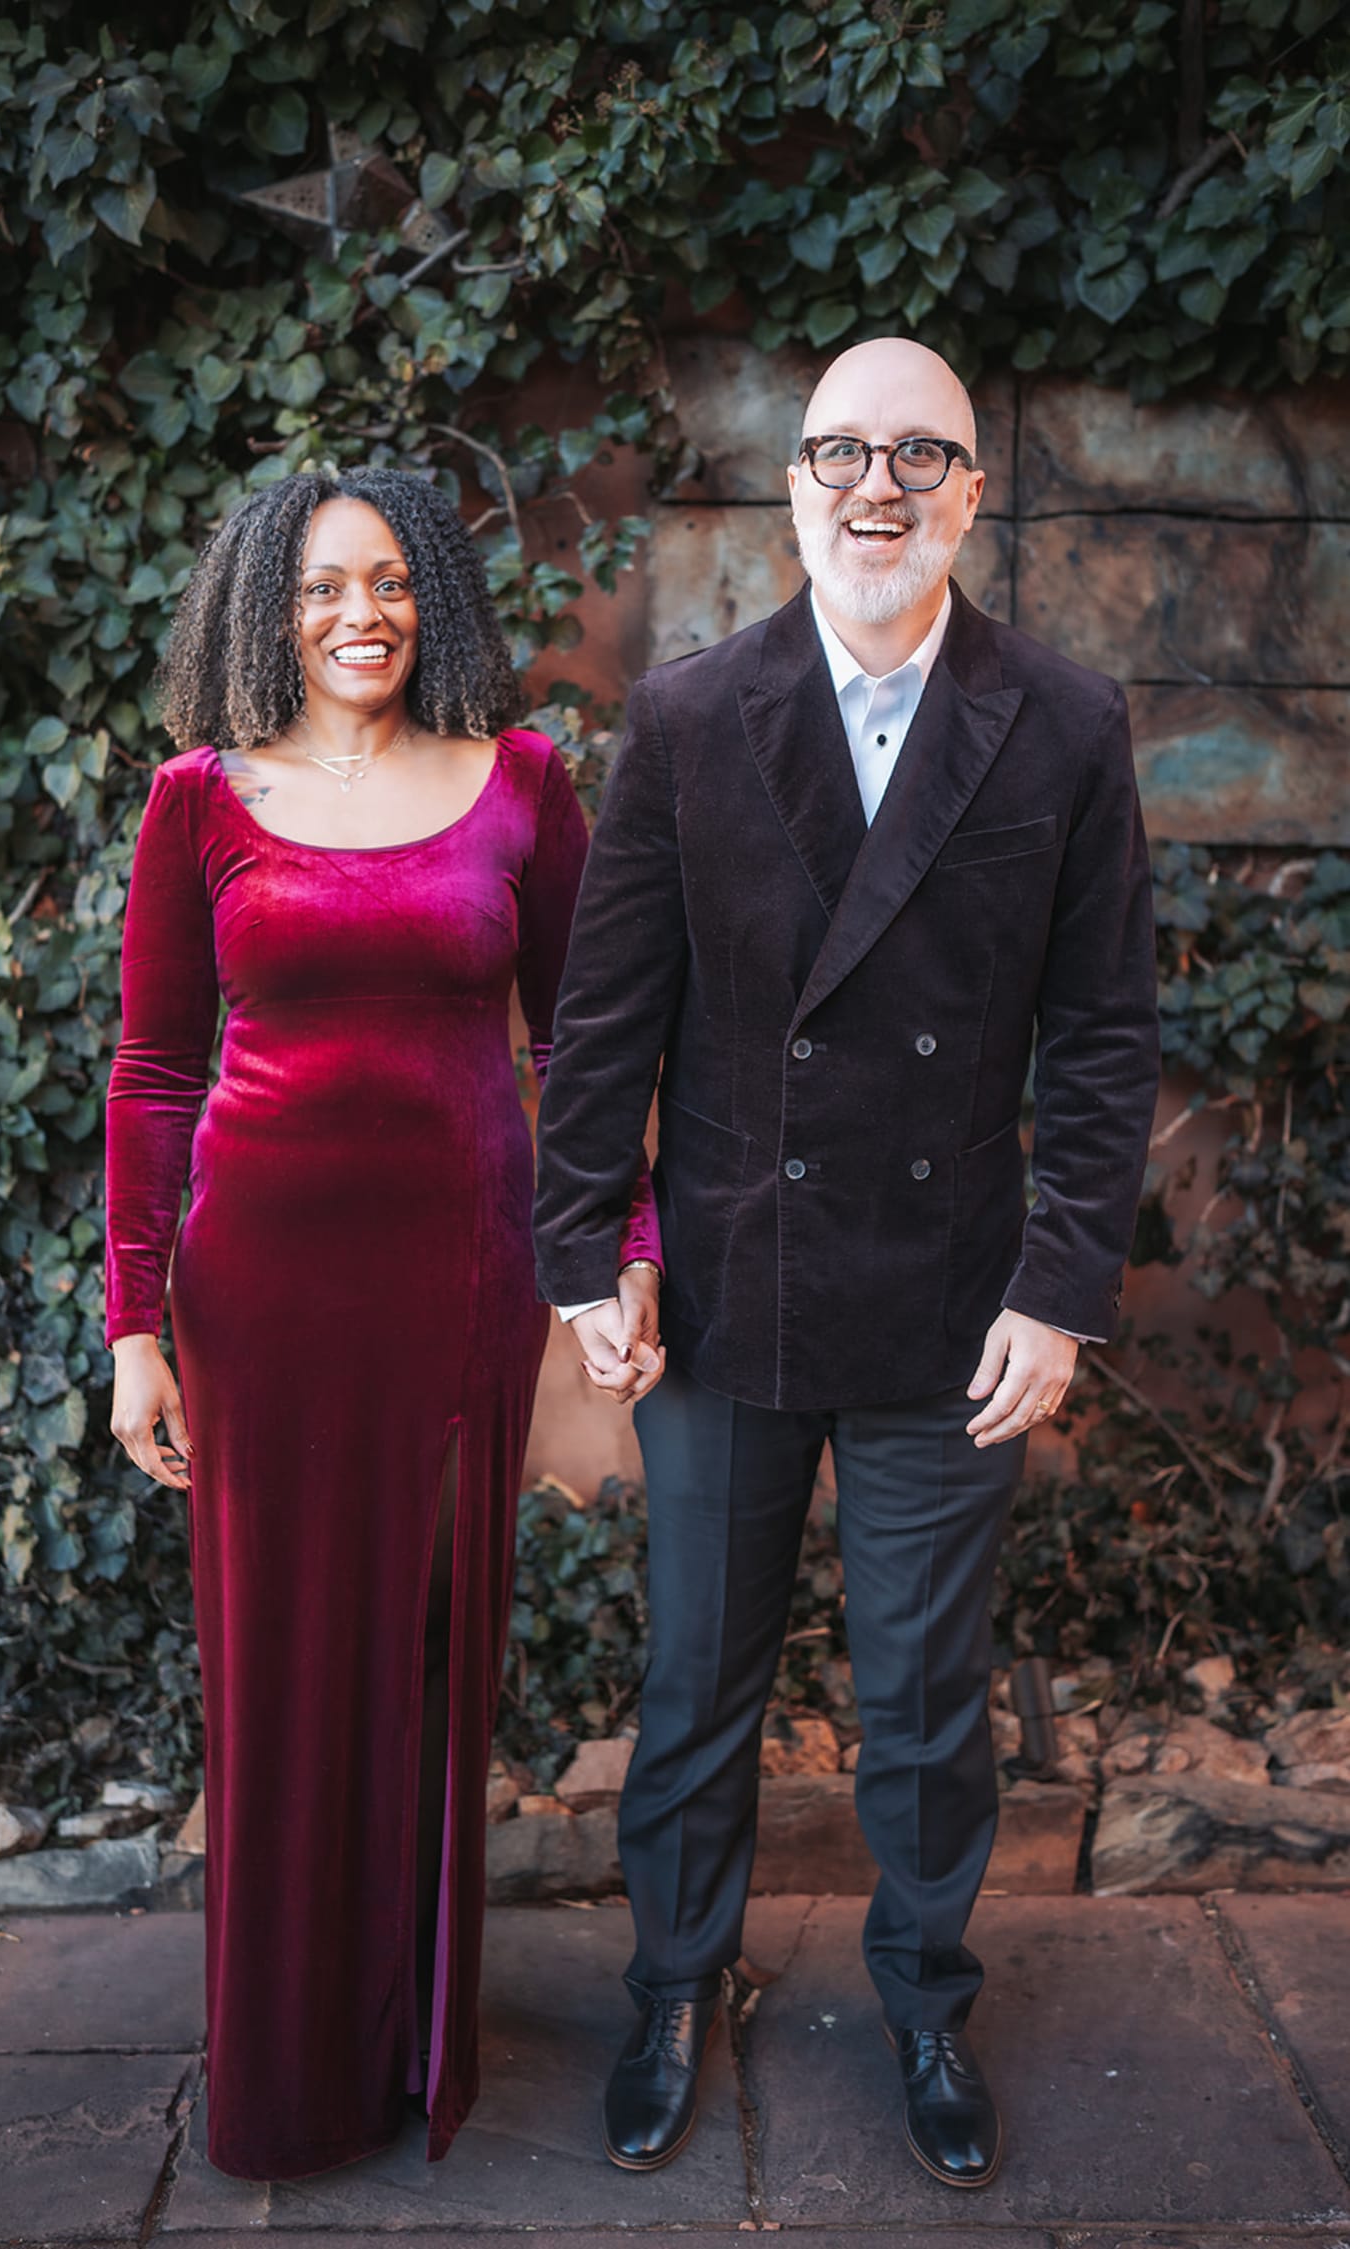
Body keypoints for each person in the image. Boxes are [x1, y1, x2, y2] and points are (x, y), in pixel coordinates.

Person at [533, 339, 1159, 2189]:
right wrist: (591, 1248)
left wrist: (1058, 1287)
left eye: (918, 453)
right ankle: (671, 1982)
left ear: (974, 489)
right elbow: (607, 1013)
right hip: (729, 1286)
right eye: (836, 451)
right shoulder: (692, 712)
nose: (873, 485)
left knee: (925, 1699)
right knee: (698, 1682)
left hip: (955, 1305)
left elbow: (1107, 1031)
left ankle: (926, 1994)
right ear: (790, 486)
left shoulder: (1063, 720)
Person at [103, 466, 659, 2181]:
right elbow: (154, 1071)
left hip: (462, 1295)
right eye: (329, 584)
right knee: (281, 1677)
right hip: (260, 1305)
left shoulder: (525, 787)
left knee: (424, 1669)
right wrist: (137, 1328)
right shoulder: (199, 801)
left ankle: (411, 2042)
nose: (366, 613)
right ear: (270, 603)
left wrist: (626, 1243)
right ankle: (287, 2076)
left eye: (398, 583)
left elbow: (588, 1046)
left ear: (439, 606)